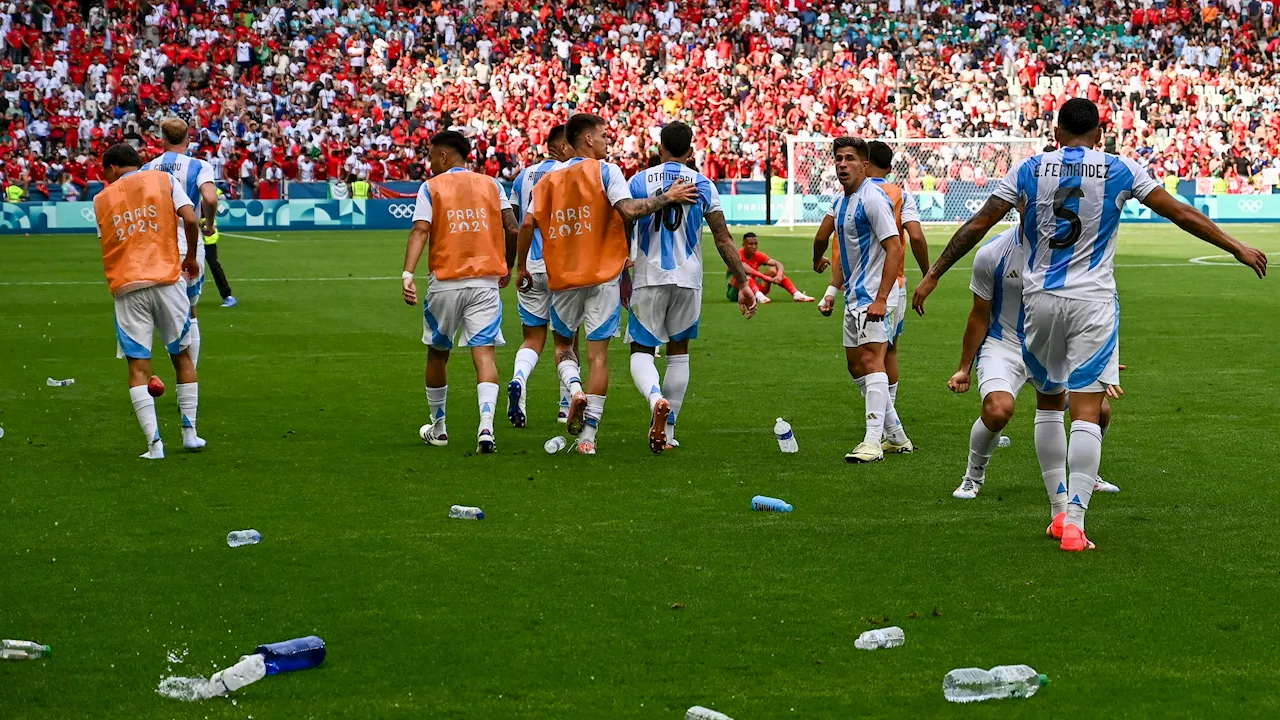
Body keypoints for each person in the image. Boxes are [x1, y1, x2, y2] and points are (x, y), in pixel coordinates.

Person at [912, 98, 1268, 551]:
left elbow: (978, 224)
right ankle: (1076, 523)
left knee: (1047, 406)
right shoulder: (1121, 169)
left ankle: (1058, 514)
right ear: (1100, 135)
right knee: (1087, 411)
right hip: (1092, 302)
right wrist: (1234, 246)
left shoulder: (1028, 170)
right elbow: (1180, 212)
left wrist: (935, 272)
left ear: (1056, 133)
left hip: (1040, 302)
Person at [515, 113, 697, 455]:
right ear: (587, 140)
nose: (606, 140)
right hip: (604, 277)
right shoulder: (606, 171)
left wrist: (522, 266)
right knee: (599, 358)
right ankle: (588, 438)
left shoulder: (545, 182)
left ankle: (574, 388)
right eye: (602, 135)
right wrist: (667, 198)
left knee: (564, 347)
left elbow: (526, 225)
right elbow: (628, 210)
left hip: (564, 278)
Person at [947, 225, 1121, 500]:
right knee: (998, 410)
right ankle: (972, 476)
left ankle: (1088, 475)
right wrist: (964, 368)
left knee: (1099, 410)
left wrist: (1098, 357)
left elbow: (1090, 306)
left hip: (1052, 346)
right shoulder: (993, 253)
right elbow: (979, 315)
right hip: (1004, 345)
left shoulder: (1071, 252)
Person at [625, 121, 755, 453]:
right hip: (688, 277)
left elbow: (622, 224)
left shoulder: (638, 181)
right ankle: (667, 433)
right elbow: (724, 240)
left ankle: (656, 398)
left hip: (648, 276)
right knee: (679, 353)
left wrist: (622, 271)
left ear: (659, 149)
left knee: (642, 350)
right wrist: (742, 281)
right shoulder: (703, 183)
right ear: (691, 151)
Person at [401, 130, 519, 453]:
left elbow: (420, 229)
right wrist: (508, 264)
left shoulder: (431, 188)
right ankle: (486, 428)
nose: (429, 163)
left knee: (438, 352)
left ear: (443, 156)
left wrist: (408, 273)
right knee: (484, 355)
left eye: (430, 156)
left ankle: (439, 427)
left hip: (446, 282)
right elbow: (512, 227)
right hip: (484, 282)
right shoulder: (493, 184)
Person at [93, 143, 205, 459]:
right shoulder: (163, 181)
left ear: (113, 168)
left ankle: (154, 445)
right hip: (168, 279)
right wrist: (192, 258)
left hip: (127, 285)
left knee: (138, 367)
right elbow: (191, 219)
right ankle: (190, 433)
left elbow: (108, 238)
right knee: (182, 356)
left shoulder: (101, 199)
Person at [813, 137, 904, 463]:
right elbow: (845, 257)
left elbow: (895, 248)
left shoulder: (873, 200)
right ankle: (897, 436)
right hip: (854, 296)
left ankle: (872, 442)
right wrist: (831, 292)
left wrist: (881, 299)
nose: (842, 164)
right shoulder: (843, 203)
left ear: (864, 165)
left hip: (874, 298)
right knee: (856, 367)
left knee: (872, 362)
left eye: (849, 158)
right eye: (838, 158)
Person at [862, 140, 932, 454]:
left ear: (864, 163)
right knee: (889, 349)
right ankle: (891, 427)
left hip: (868, 288)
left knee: (868, 357)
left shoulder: (855, 194)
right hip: (898, 284)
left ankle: (889, 430)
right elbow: (915, 235)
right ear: (890, 167)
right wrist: (928, 273)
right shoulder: (900, 194)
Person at [506, 123, 574, 428]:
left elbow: (514, 226)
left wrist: (513, 265)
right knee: (566, 342)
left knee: (533, 339)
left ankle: (519, 380)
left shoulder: (522, 177)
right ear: (561, 146)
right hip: (562, 267)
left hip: (530, 267)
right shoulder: (569, 175)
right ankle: (565, 406)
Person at [142, 118, 219, 365]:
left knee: (156, 309)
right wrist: (208, 224)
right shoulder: (199, 166)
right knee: (190, 311)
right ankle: (188, 377)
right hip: (188, 242)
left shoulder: (149, 167)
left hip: (157, 244)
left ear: (162, 140)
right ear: (188, 139)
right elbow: (210, 198)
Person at [730, 232, 814, 304]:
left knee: (773, 270)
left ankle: (796, 294)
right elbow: (747, 270)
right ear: (743, 245)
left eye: (756, 244)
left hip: (754, 289)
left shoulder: (757, 255)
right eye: (750, 244)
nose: (754, 246)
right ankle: (758, 296)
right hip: (737, 292)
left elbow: (777, 263)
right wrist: (768, 278)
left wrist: (779, 275)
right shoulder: (737, 256)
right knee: (745, 277)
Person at [203, 188, 237, 308]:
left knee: (214, 266)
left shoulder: (207, 189)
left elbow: (221, 195)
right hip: (191, 235)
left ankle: (228, 296)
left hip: (207, 237)